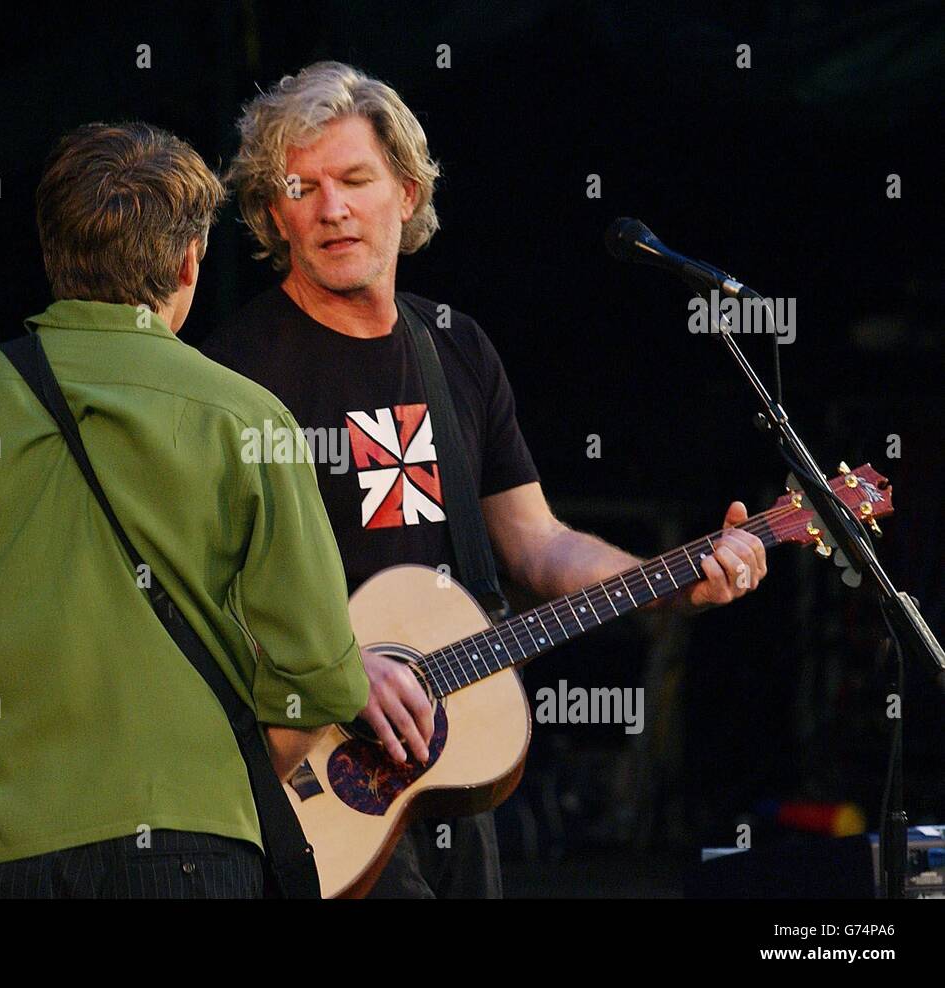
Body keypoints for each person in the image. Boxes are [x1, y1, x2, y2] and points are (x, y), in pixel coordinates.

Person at [202, 62, 766, 898]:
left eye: (355, 179)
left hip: (452, 770)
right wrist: (339, 665)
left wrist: (676, 583)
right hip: (304, 778)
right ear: (271, 211)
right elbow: (197, 590)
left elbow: (538, 546)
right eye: (301, 187)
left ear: (405, 189)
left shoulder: (455, 348)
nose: (332, 208)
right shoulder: (232, 372)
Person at [0, 121, 368, 898]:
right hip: (190, 851)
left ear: (51, 256)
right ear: (187, 261)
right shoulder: (245, 417)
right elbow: (323, 681)